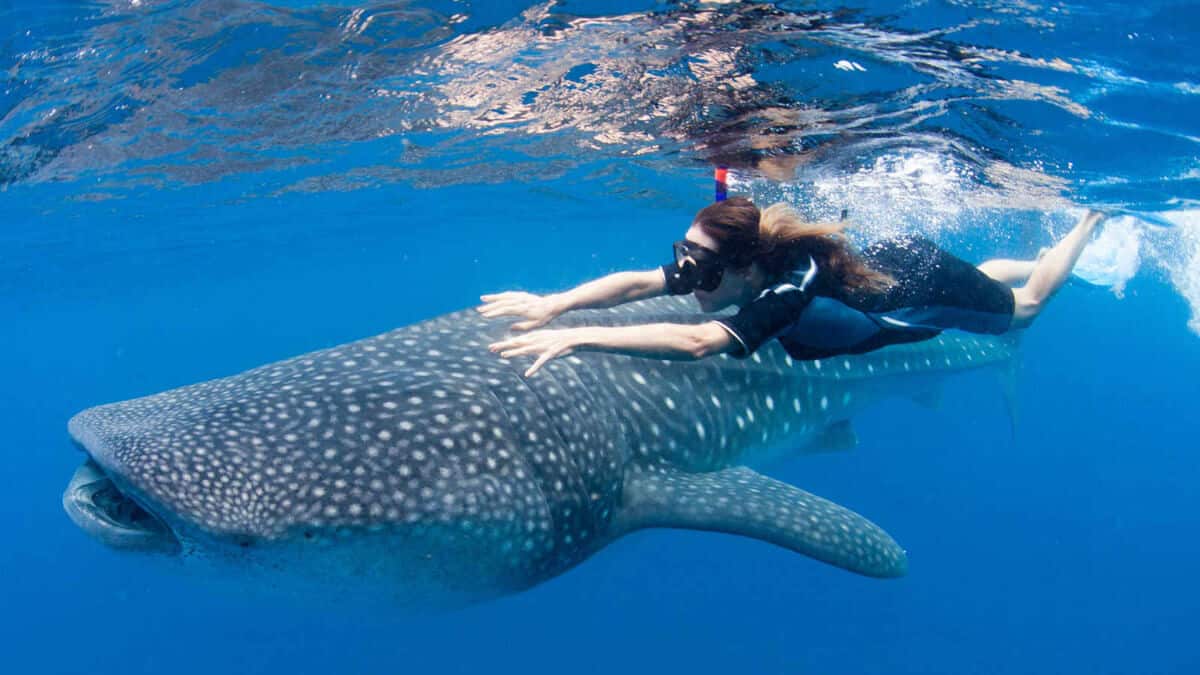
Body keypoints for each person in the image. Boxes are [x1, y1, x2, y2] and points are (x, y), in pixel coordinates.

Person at [480, 197, 1106, 377]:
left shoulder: (787, 289)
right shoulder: (729, 266)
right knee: (979, 282)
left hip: (914, 283)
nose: (686, 278)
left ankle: (1085, 225)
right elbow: (637, 282)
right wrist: (554, 302)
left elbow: (700, 342)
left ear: (748, 269)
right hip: (893, 267)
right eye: (686, 262)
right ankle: (1012, 264)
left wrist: (577, 338)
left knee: (1022, 311)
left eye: (700, 269)